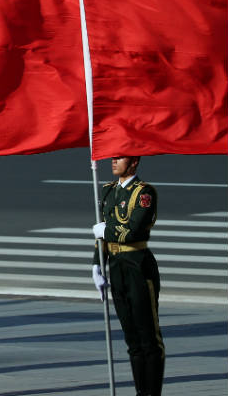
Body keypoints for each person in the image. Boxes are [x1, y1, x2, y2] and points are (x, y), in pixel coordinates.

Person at [91, 156, 164, 396]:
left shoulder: (144, 192)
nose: (113, 161)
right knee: (131, 338)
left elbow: (135, 228)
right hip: (116, 265)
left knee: (148, 337)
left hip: (137, 265)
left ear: (134, 163)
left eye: (120, 157)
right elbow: (101, 233)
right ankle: (140, 392)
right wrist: (97, 265)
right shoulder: (108, 190)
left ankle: (151, 393)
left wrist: (107, 230)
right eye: (113, 157)